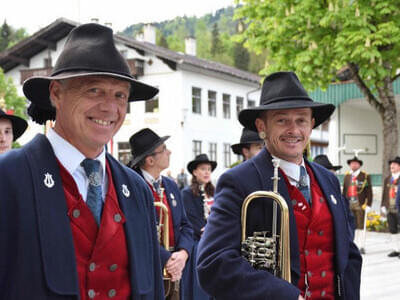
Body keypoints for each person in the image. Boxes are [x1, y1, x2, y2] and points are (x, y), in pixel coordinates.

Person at [0, 23, 164, 299]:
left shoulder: (136, 191)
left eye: (120, 95)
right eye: (94, 91)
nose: (110, 108)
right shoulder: (8, 179)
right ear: (56, 94)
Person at [197, 72, 362, 300]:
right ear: (261, 126)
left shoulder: (328, 179)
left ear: (312, 124)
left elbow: (348, 253)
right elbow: (213, 263)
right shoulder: (238, 181)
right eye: (282, 120)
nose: (293, 130)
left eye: (301, 120)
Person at [129, 128, 194, 299]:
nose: (169, 152)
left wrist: (183, 253)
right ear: (150, 160)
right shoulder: (132, 186)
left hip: (175, 265)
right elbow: (136, 233)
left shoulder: (170, 185)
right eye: (164, 149)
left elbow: (185, 225)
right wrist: (166, 258)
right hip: (149, 266)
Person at [181, 154, 216, 299]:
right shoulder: (187, 194)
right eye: (203, 169)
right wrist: (209, 230)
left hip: (216, 237)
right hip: (198, 241)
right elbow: (191, 220)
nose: (207, 172)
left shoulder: (216, 192)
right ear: (195, 172)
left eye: (209, 169)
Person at [343, 156, 372, 253]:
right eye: (352, 163)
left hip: (360, 203)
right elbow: (344, 191)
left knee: (360, 225)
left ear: (359, 165)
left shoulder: (364, 176)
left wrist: (369, 204)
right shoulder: (347, 176)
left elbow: (369, 191)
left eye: (355, 163)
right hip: (349, 203)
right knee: (351, 225)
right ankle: (353, 244)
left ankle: (361, 245)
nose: (353, 165)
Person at [381, 156, 400, 257]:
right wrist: (383, 205)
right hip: (390, 208)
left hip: (399, 208)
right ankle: (396, 249)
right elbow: (384, 193)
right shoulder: (388, 179)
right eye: (391, 164)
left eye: (395, 164)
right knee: (393, 229)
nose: (392, 166)